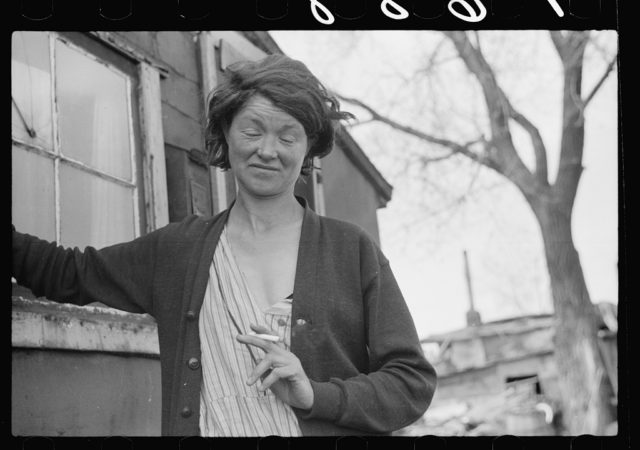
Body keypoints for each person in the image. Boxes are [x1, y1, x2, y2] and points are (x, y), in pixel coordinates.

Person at [12, 54, 437, 436]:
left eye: (288, 137)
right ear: (227, 135)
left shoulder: (351, 251)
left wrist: (316, 395)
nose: (267, 150)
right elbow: (65, 273)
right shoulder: (178, 251)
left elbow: (410, 382)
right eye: (252, 129)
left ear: (309, 147)